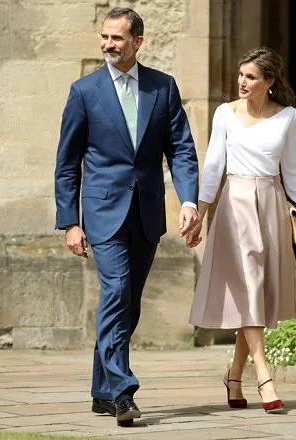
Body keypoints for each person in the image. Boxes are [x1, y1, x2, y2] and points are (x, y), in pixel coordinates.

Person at [54, 7, 199, 427]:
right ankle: (122, 392)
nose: (108, 45)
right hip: (102, 213)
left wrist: (188, 201)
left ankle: (101, 390)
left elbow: (182, 150)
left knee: (128, 305)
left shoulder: (163, 87)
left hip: (148, 213)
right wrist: (71, 221)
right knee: (117, 292)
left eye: (117, 38)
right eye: (104, 37)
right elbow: (67, 164)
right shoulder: (84, 92)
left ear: (137, 42)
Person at [186, 47, 296, 413]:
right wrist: (200, 213)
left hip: (271, 204)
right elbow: (213, 167)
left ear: (269, 82)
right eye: (241, 75)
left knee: (256, 290)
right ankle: (264, 376)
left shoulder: (288, 117)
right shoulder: (225, 113)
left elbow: (292, 170)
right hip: (235, 205)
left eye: (251, 77)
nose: (243, 82)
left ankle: (234, 374)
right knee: (248, 286)